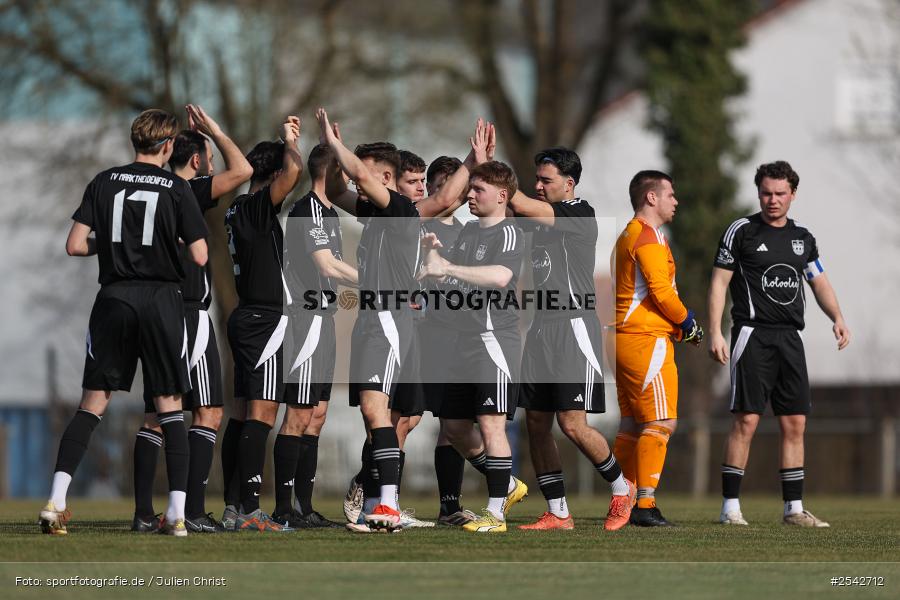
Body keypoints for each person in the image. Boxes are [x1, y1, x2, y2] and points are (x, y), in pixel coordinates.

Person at [40, 109, 208, 536]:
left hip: (113, 298)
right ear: (168, 145)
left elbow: (75, 245)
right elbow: (201, 255)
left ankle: (56, 501)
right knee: (170, 406)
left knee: (92, 404)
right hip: (161, 300)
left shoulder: (104, 181)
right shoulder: (176, 186)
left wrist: (112, 243)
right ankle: (175, 514)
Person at [708, 160, 850, 528]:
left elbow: (819, 282)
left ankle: (793, 510)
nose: (772, 200)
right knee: (747, 420)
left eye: (780, 193)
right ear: (758, 193)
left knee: (795, 424)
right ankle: (730, 507)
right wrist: (715, 331)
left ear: (793, 195)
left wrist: (837, 317)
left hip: (790, 339)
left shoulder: (803, 238)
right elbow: (719, 284)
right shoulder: (741, 231)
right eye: (766, 193)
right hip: (752, 336)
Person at [131, 104, 252, 534]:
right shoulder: (185, 191)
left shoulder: (141, 187)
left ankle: (144, 512)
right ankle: (193, 511)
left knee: (157, 415)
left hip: (152, 310)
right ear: (197, 161)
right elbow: (243, 170)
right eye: (208, 160)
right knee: (208, 413)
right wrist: (215, 131)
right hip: (188, 313)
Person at [511, 147, 636, 531]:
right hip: (541, 329)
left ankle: (622, 487)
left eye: (546, 180)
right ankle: (558, 511)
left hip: (573, 327)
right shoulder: (539, 216)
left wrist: (490, 169)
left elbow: (514, 201)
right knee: (535, 422)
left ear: (569, 183)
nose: (538, 186)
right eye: (537, 179)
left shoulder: (580, 213)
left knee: (573, 424)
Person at [316, 107, 421, 532]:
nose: (364, 180)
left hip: (390, 319)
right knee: (372, 413)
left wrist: (337, 145)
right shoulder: (376, 214)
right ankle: (378, 504)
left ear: (387, 178)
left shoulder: (398, 209)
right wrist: (331, 151)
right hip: (371, 319)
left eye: (372, 173)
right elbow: (340, 190)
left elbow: (356, 177)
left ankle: (387, 505)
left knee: (379, 410)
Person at [418, 160, 526, 534]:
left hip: (493, 341)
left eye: (477, 190)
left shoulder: (509, 233)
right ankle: (508, 484)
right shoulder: (466, 234)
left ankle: (495, 515)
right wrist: (433, 257)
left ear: (501, 195)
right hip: (461, 343)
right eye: (470, 189)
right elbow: (451, 282)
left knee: (491, 424)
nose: (470, 196)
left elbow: (499, 276)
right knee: (454, 426)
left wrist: (446, 267)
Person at [222, 116, 303, 532]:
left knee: (241, 413)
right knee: (262, 412)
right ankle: (251, 510)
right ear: (268, 176)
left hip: (246, 317)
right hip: (264, 322)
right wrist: (290, 143)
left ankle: (234, 505)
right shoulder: (254, 206)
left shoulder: (236, 209)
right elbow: (294, 172)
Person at [273, 142, 358, 529]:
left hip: (324, 319)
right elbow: (326, 264)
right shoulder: (307, 210)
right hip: (305, 320)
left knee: (318, 415)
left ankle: (305, 507)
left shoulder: (330, 213)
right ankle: (283, 507)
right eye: (346, 168)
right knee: (298, 414)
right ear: (333, 171)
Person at [611, 170, 703, 527]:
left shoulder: (632, 235)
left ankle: (622, 498)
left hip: (626, 337)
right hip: (644, 341)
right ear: (651, 197)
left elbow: (647, 296)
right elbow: (661, 292)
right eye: (670, 194)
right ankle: (645, 506)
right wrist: (688, 322)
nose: (675, 201)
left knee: (633, 424)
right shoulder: (645, 236)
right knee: (662, 421)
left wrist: (678, 327)